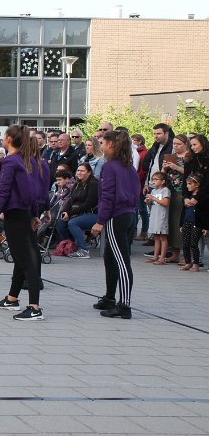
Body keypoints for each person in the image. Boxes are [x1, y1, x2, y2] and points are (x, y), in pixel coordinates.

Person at [0, 125, 50, 321]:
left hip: (14, 213)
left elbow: (3, 191)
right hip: (24, 212)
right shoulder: (28, 161)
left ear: (8, 140)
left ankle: (34, 307)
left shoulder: (9, 162)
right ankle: (12, 298)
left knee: (25, 260)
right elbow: (32, 191)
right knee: (21, 255)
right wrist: (33, 213)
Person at [91, 129, 142, 319]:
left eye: (103, 142)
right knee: (110, 257)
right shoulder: (128, 167)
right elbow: (136, 191)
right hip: (128, 213)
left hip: (116, 215)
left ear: (112, 145)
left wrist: (100, 221)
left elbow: (107, 196)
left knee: (122, 260)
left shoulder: (109, 166)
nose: (101, 146)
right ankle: (110, 297)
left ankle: (125, 305)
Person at [56, 162, 99, 258]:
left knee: (73, 223)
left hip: (93, 214)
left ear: (89, 173)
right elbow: (70, 201)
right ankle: (69, 246)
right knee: (60, 222)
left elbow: (88, 204)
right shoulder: (77, 184)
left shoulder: (93, 184)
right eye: (78, 170)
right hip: (79, 213)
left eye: (82, 171)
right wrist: (65, 212)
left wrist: (70, 213)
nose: (79, 172)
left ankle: (83, 250)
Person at [144, 171, 171, 265]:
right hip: (154, 215)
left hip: (161, 217)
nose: (153, 181)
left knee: (162, 237)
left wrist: (153, 198)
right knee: (156, 237)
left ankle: (162, 258)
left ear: (163, 181)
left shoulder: (165, 190)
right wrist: (148, 201)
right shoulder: (154, 191)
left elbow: (166, 203)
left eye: (156, 179)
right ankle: (156, 256)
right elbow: (151, 202)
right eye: (153, 179)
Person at [179, 174, 202, 271]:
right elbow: (183, 211)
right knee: (185, 244)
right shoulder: (187, 197)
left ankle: (196, 264)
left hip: (197, 223)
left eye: (189, 184)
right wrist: (181, 224)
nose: (187, 186)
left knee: (193, 244)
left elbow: (204, 212)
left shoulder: (201, 197)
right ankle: (188, 262)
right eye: (187, 184)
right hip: (186, 222)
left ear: (197, 185)